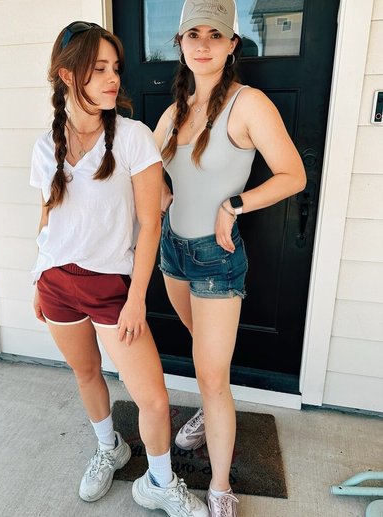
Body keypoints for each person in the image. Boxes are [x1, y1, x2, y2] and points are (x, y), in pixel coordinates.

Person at [30, 21, 209, 517]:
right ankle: (110, 448)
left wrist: (135, 299)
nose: (113, 79)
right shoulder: (46, 146)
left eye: (116, 68)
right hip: (56, 283)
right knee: (87, 372)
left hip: (112, 287)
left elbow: (150, 225)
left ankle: (159, 482)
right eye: (99, 69)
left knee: (153, 398)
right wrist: (36, 279)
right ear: (68, 75)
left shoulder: (133, 138)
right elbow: (47, 218)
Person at [154, 1, 306, 516]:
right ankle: (207, 412)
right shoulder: (175, 109)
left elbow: (293, 175)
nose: (203, 44)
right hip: (173, 251)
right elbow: (146, 167)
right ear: (180, 44)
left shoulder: (248, 104)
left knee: (214, 376)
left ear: (232, 44)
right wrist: (162, 194)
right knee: (204, 356)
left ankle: (220, 488)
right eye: (192, 34)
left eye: (215, 35)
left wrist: (234, 204)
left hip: (215, 259)